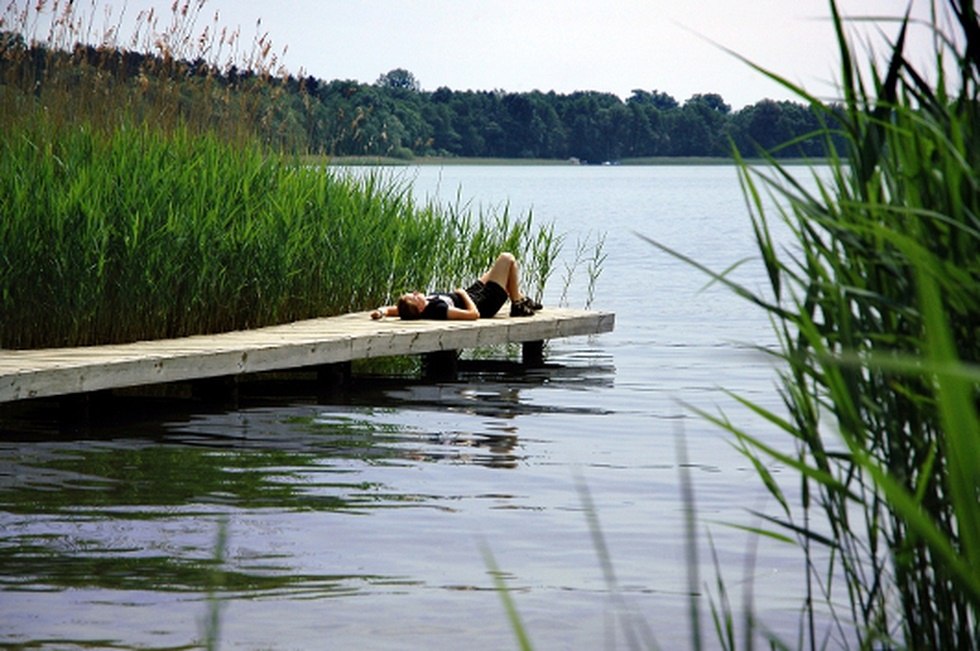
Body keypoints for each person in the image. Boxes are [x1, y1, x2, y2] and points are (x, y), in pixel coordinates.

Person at [370, 252, 542, 321]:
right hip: (483, 303)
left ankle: (518, 300)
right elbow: (474, 314)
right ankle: (518, 304)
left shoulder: (418, 308)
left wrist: (380, 312)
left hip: (472, 294)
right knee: (507, 259)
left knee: (499, 267)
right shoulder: (438, 309)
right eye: (414, 297)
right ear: (420, 308)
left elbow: (391, 310)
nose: (415, 292)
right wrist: (462, 294)